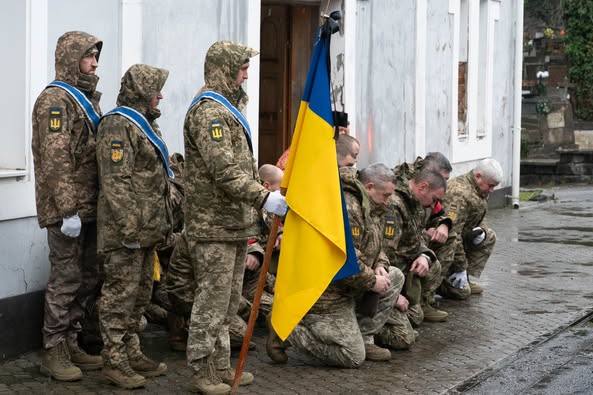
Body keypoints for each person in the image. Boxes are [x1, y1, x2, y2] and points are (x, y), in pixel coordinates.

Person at [183, 40, 288, 395]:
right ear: (224, 69)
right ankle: (201, 369)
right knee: (211, 302)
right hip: (211, 225)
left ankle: (222, 366)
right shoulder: (210, 112)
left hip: (231, 223)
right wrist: (264, 197)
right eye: (241, 68)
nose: (246, 74)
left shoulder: (227, 108)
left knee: (228, 304)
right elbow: (224, 171)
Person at [266, 163, 403, 367]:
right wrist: (373, 281)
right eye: (385, 195)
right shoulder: (349, 207)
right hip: (329, 291)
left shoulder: (372, 205)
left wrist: (380, 265)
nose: (387, 201)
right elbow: (343, 259)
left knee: (394, 275)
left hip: (352, 285)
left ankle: (365, 337)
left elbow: (376, 244)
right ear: (370, 187)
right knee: (352, 356)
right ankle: (287, 328)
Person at [32, 31, 104, 381]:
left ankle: (71, 340)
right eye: (88, 56)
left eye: (96, 57)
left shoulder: (84, 98)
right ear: (71, 57)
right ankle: (53, 349)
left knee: (87, 276)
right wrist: (67, 210)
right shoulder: (56, 101)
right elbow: (56, 158)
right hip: (68, 210)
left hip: (89, 205)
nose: (94, 63)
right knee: (65, 277)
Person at [96, 64, 172, 389]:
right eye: (155, 88)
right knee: (119, 297)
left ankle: (131, 351)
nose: (160, 95)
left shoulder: (145, 125)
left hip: (146, 232)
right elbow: (116, 182)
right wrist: (130, 231)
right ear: (142, 90)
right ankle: (113, 360)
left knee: (140, 296)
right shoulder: (118, 124)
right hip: (126, 234)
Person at [377, 169, 448, 350]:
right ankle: (369, 331)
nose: (434, 207)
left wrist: (425, 256)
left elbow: (415, 241)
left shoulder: (415, 203)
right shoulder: (394, 205)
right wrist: (393, 294)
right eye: (434, 200)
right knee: (404, 338)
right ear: (423, 187)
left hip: (403, 268)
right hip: (384, 276)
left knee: (416, 316)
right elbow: (384, 255)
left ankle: (402, 312)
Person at [393, 152, 456, 320]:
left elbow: (439, 213)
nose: (444, 183)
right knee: (408, 329)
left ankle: (423, 301)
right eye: (441, 178)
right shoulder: (399, 195)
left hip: (412, 245)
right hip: (395, 259)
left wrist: (444, 224)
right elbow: (390, 245)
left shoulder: (426, 194)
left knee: (445, 242)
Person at [439, 158, 503, 299]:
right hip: (445, 247)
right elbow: (452, 234)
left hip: (463, 239)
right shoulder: (459, 194)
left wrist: (481, 230)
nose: (492, 190)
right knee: (462, 293)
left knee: (489, 235)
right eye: (491, 186)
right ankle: (438, 283)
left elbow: (481, 216)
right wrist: (460, 267)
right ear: (478, 176)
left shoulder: (479, 189)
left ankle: (465, 278)